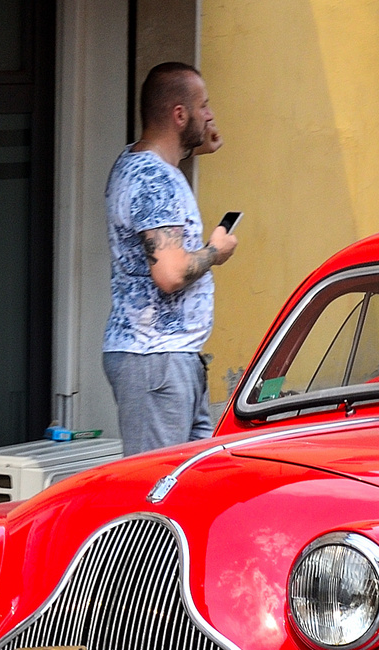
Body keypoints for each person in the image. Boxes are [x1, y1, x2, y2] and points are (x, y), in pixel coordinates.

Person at [102, 62, 238, 456]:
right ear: (180, 115)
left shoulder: (138, 164)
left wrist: (199, 142)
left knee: (191, 486)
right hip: (155, 360)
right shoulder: (154, 180)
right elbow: (171, 272)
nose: (211, 115)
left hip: (167, 357)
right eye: (204, 106)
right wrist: (216, 250)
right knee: (154, 492)